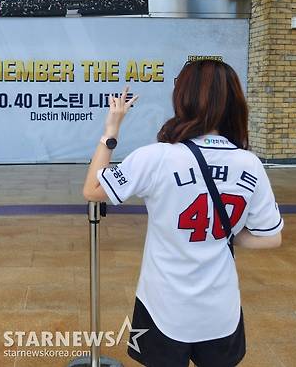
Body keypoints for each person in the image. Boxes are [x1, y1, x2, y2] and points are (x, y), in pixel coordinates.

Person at [83, 60, 283, 367]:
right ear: (233, 102)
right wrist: (226, 233)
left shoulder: (157, 157)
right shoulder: (250, 164)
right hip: (221, 307)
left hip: (162, 303)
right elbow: (271, 239)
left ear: (183, 97)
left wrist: (111, 129)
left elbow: (93, 189)